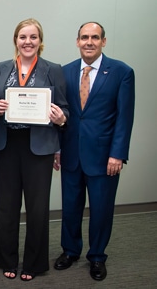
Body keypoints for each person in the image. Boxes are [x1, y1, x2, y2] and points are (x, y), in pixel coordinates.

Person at [53, 22, 135, 281]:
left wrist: (118, 154)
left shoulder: (122, 72)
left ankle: (97, 256)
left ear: (103, 41)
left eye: (95, 38)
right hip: (70, 153)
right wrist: (56, 148)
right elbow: (60, 113)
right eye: (85, 37)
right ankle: (70, 250)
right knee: (70, 207)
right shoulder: (63, 73)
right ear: (77, 41)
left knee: (101, 209)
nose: (90, 42)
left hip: (104, 157)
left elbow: (124, 117)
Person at [0, 18, 68, 281]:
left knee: (37, 208)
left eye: (33, 37)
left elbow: (64, 109)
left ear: (40, 41)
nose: (28, 42)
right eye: (23, 37)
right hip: (7, 144)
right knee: (6, 206)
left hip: (40, 146)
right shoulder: (0, 69)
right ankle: (7, 259)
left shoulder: (53, 69)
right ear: (15, 40)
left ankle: (34, 263)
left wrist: (61, 119)